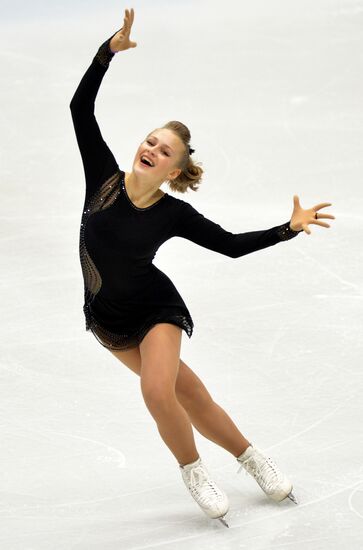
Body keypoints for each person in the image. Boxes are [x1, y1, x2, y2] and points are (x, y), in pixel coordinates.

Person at [69, 7, 335, 527]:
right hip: (107, 317)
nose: (152, 149)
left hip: (155, 310)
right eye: (150, 140)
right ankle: (251, 457)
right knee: (190, 395)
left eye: (164, 150)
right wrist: (106, 53)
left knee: (156, 389)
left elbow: (231, 245)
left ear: (174, 168)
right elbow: (80, 108)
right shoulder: (103, 176)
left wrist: (289, 227)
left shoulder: (173, 213)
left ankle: (193, 470)